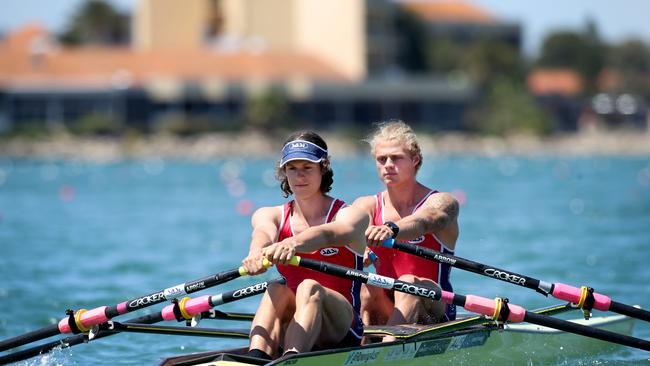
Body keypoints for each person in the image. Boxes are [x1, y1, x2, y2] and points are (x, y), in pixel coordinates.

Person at [241, 131, 368, 360]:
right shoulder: (271, 214)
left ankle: (292, 358)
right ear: (283, 172)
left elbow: (330, 234)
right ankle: (256, 357)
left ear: (324, 168)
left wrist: (292, 243)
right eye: (292, 168)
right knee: (276, 288)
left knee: (309, 286)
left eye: (307, 167)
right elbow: (263, 232)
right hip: (297, 317)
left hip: (343, 327)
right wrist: (256, 253)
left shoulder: (351, 215)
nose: (299, 176)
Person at [353, 120, 459, 329]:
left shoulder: (442, 202)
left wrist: (391, 229)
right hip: (386, 302)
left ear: (415, 160)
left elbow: (425, 220)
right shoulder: (366, 205)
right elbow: (348, 230)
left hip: (435, 306)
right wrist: (360, 247)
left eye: (397, 158)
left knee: (408, 283)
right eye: (382, 159)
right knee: (367, 283)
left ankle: (385, 348)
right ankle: (362, 345)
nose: (388, 164)